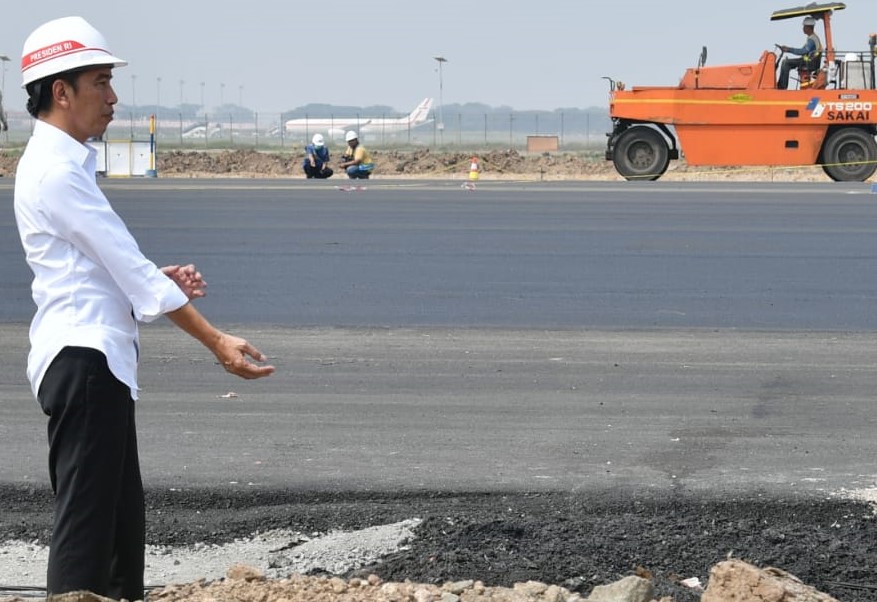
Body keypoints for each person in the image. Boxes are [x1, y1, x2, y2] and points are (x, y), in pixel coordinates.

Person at [13, 16, 275, 600]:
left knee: (118, 534)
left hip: (92, 362)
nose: (113, 98)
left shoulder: (62, 164)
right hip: (84, 364)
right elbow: (127, 271)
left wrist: (153, 277)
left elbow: (99, 267)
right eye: (101, 82)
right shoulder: (57, 172)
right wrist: (216, 342)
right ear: (62, 91)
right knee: (88, 536)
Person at [777, 16, 823, 90]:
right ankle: (781, 86)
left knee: (786, 63)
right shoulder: (812, 38)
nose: (803, 28)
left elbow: (803, 51)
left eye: (804, 26)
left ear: (808, 27)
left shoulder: (812, 39)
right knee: (786, 62)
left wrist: (789, 49)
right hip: (809, 61)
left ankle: (782, 87)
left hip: (809, 62)